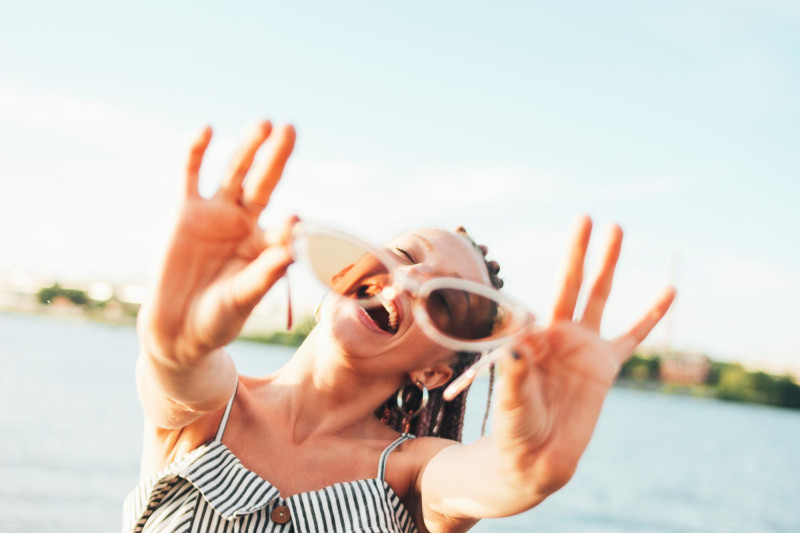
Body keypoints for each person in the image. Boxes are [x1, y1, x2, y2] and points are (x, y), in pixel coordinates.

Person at [123, 120, 675, 533]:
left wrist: (531, 464)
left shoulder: (414, 476)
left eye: (443, 301)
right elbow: (177, 368)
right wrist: (175, 336)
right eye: (401, 256)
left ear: (436, 370)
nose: (407, 281)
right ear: (344, 275)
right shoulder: (209, 413)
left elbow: (492, 477)